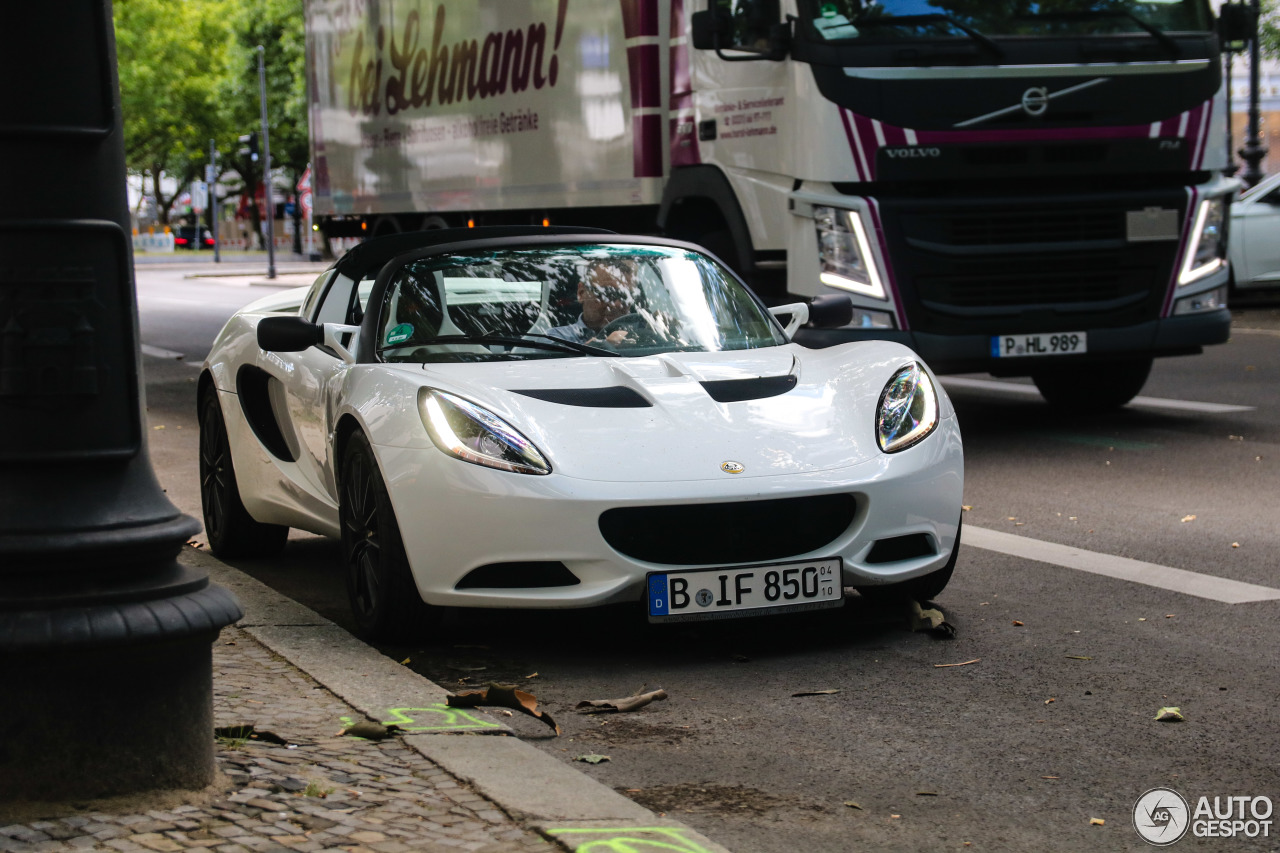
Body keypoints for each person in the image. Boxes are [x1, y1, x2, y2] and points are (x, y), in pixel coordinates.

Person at [546, 260, 646, 346]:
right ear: (581, 293)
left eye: (626, 296)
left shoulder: (644, 334)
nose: (617, 304)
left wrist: (657, 329)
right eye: (607, 293)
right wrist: (601, 348)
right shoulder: (555, 338)